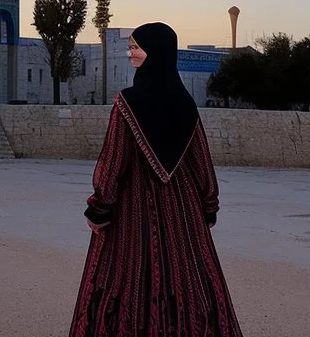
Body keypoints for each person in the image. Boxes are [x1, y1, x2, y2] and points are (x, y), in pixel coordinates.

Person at [68, 22, 243, 336]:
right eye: (131, 46)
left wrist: (99, 209)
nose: (131, 53)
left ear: (157, 53)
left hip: (132, 217)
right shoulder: (186, 104)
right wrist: (208, 207)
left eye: (137, 48)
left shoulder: (127, 104)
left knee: (127, 284)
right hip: (184, 216)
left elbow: (113, 161)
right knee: (188, 284)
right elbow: (202, 162)